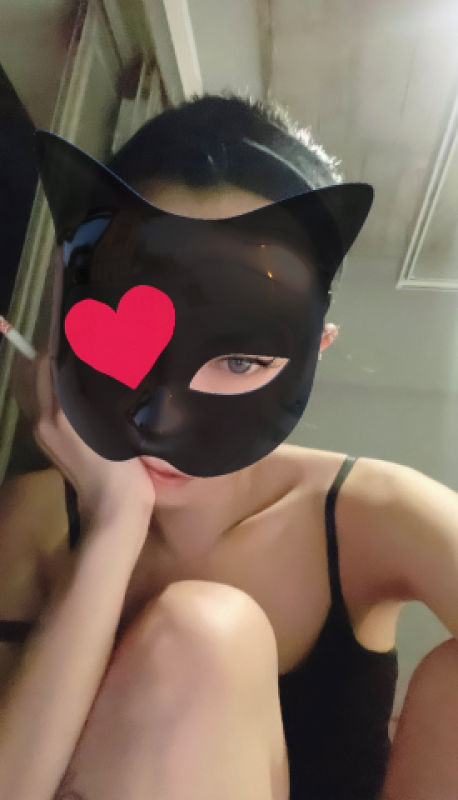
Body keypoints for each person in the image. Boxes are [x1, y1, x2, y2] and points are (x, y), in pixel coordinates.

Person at [1, 93, 458, 800]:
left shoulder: (368, 513)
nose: (166, 417)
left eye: (240, 360)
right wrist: (115, 522)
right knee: (201, 637)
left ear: (313, 352)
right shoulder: (33, 521)